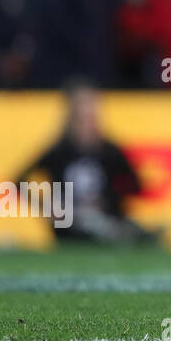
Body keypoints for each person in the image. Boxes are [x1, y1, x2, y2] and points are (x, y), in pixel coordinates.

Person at [17, 78, 158, 244]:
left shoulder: (110, 151)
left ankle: (126, 232)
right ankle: (125, 234)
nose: (88, 112)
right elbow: (19, 182)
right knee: (87, 222)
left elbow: (136, 185)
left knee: (104, 224)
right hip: (71, 227)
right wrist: (47, 207)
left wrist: (107, 200)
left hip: (106, 219)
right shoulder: (59, 152)